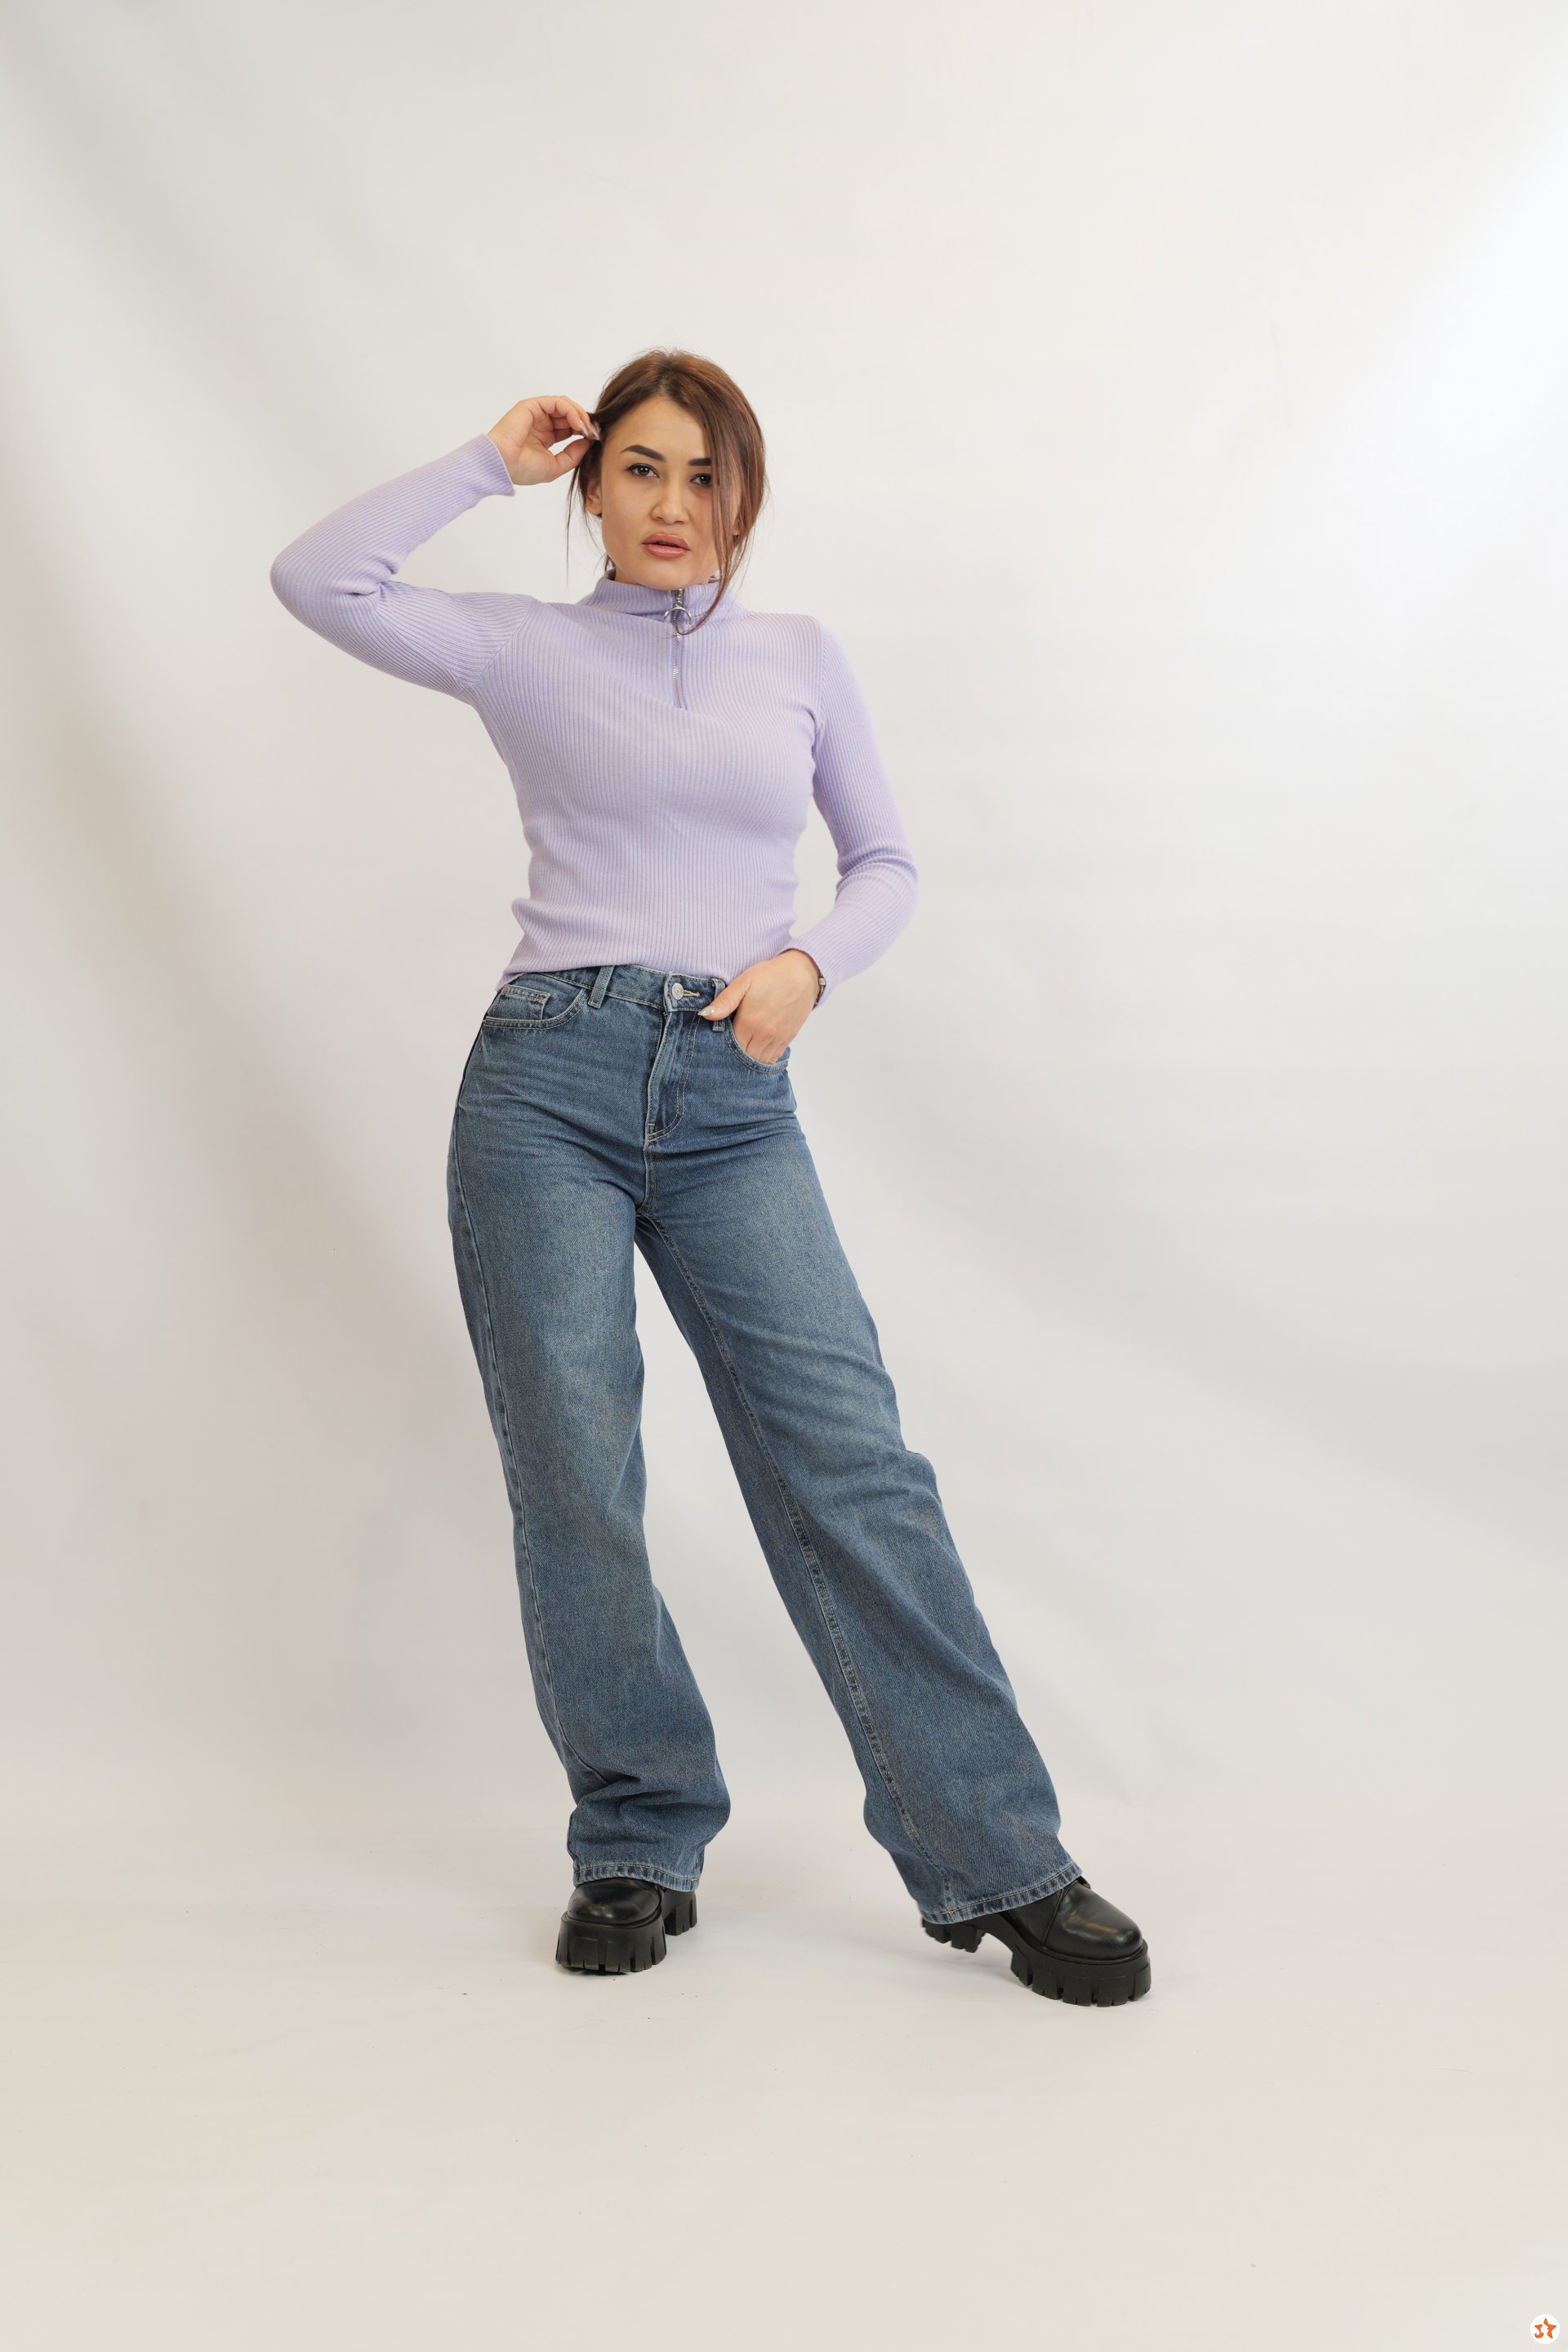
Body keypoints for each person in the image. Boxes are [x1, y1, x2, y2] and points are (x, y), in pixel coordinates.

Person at [269, 347, 1151, 2007]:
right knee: (576, 1472)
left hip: (736, 1093)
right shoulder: (520, 648)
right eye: (641, 469)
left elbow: (885, 860)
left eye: (706, 474)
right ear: (594, 486)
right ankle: (637, 1835)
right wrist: (486, 460)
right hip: (546, 1087)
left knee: (856, 1467)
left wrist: (809, 967)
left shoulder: (797, 656)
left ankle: (997, 1857)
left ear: (744, 496)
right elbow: (318, 578)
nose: (674, 505)